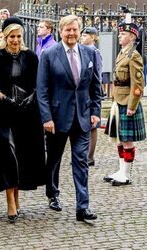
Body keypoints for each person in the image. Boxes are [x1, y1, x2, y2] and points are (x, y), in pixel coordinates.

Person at [37, 15, 102, 222]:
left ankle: (82, 206)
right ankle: (53, 193)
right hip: (57, 119)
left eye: (75, 30)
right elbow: (42, 89)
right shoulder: (49, 54)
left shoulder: (90, 53)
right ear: (61, 31)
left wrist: (95, 112)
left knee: (81, 162)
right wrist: (46, 117)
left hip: (82, 118)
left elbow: (96, 87)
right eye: (68, 30)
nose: (72, 33)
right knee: (54, 160)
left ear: (80, 31)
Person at [0, 17, 46, 223]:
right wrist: (5, 98)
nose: (15, 40)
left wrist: (31, 97)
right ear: (4, 36)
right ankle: (10, 202)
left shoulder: (31, 57)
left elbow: (39, 84)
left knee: (21, 156)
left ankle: (17, 199)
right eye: (12, 36)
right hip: (2, 114)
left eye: (18, 36)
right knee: (8, 156)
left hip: (25, 114)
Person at [103, 22, 146, 186]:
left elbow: (138, 84)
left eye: (123, 34)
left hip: (127, 101)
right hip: (118, 99)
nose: (120, 36)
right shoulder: (122, 53)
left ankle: (126, 174)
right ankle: (121, 171)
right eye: (120, 34)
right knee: (119, 139)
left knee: (127, 139)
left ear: (132, 37)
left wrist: (132, 105)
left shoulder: (134, 55)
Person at [80, 26, 103, 166]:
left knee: (92, 125)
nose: (82, 37)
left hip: (91, 91)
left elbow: (97, 73)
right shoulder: (81, 51)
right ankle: (83, 154)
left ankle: (90, 156)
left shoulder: (95, 52)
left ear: (93, 37)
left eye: (85, 35)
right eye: (81, 35)